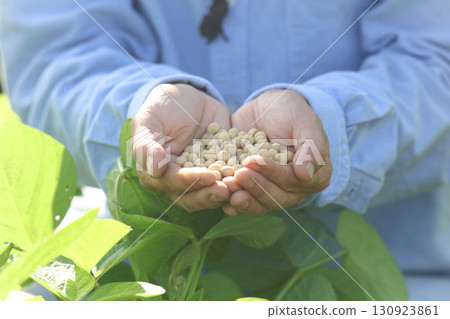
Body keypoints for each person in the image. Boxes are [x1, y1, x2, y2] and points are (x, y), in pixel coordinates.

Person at [0, 0, 449, 300]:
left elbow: (436, 59)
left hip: (410, 275)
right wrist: (139, 105)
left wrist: (332, 122)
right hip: (136, 270)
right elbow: (55, 55)